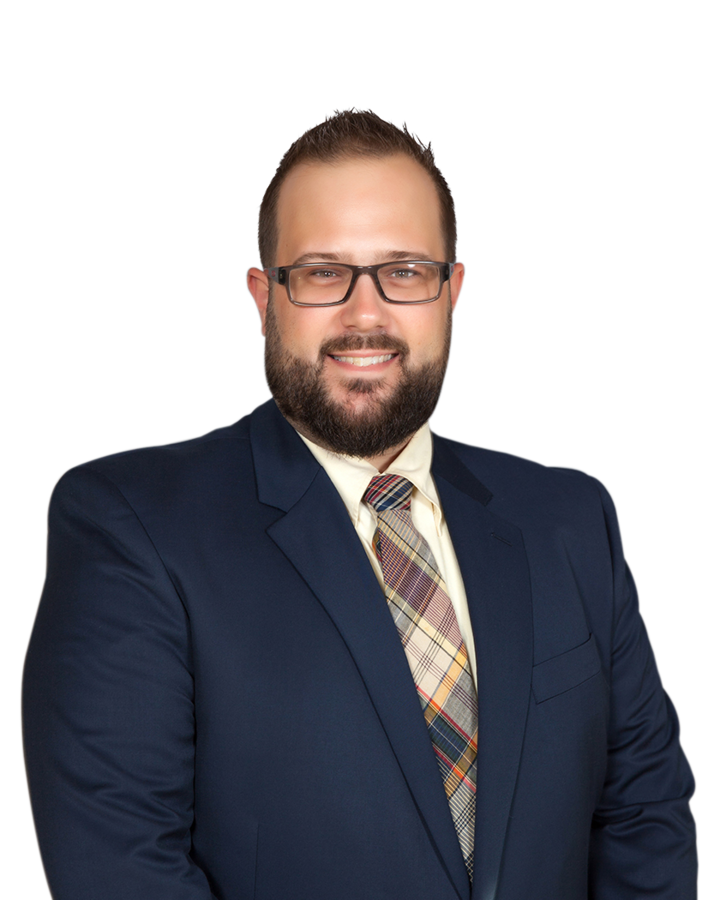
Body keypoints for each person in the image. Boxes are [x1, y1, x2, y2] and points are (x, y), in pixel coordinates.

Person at [20, 105, 698, 899]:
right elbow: (121, 867)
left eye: (404, 271)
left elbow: (644, 813)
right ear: (263, 297)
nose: (365, 314)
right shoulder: (129, 524)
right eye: (322, 273)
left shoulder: (570, 518)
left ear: (453, 291)